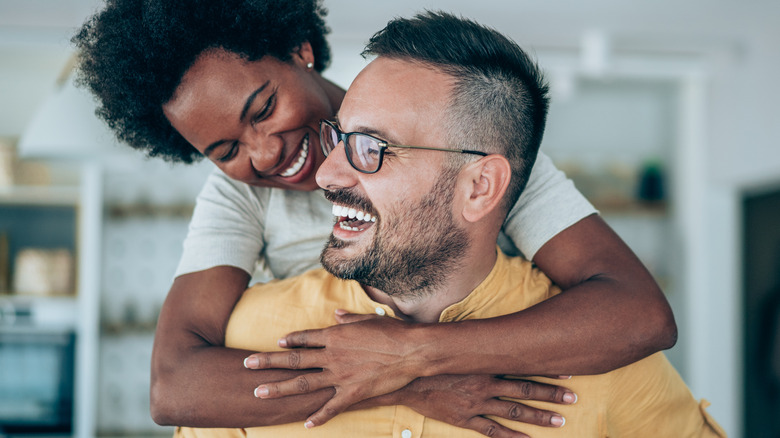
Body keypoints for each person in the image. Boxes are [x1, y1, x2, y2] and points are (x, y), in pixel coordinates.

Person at [71, 0, 676, 432]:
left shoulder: (466, 149)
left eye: (263, 109)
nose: (264, 153)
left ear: (299, 50)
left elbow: (635, 311)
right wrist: (410, 383)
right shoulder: (238, 197)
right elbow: (175, 384)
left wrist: (416, 353)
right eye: (223, 150)